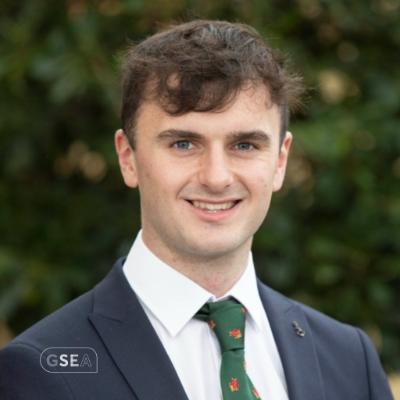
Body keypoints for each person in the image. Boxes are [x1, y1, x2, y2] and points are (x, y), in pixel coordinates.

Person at [0, 20, 394, 400]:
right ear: (128, 158)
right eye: (184, 144)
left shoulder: (349, 360)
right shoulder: (39, 372)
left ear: (280, 160)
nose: (217, 177)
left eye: (245, 145)